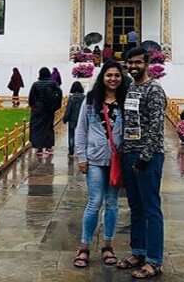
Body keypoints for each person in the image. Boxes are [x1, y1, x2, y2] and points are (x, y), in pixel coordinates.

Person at [117, 46, 167, 279]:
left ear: (147, 63)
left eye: (138, 62)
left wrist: (144, 157)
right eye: (130, 62)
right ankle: (138, 251)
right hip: (129, 153)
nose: (133, 66)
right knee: (135, 207)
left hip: (148, 156)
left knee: (150, 208)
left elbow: (157, 127)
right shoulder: (131, 88)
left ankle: (154, 260)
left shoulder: (154, 90)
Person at [73, 61, 127, 269]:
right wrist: (81, 157)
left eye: (117, 75)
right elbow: (81, 129)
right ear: (102, 77)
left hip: (116, 160)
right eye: (109, 75)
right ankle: (84, 246)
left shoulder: (125, 100)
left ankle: (108, 245)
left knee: (112, 203)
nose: (113, 79)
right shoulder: (91, 100)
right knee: (94, 202)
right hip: (94, 159)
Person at [29, 67, 63, 156]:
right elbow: (59, 93)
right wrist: (57, 105)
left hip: (38, 109)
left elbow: (31, 97)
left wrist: (33, 106)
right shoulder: (53, 83)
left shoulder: (36, 84)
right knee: (49, 127)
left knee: (38, 128)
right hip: (49, 108)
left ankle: (39, 148)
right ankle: (49, 147)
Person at [62, 81, 85, 157]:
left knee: (71, 135)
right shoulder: (84, 97)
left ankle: (71, 151)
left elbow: (68, 109)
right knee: (82, 135)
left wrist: (65, 118)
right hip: (82, 119)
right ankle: (81, 151)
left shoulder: (71, 98)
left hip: (72, 119)